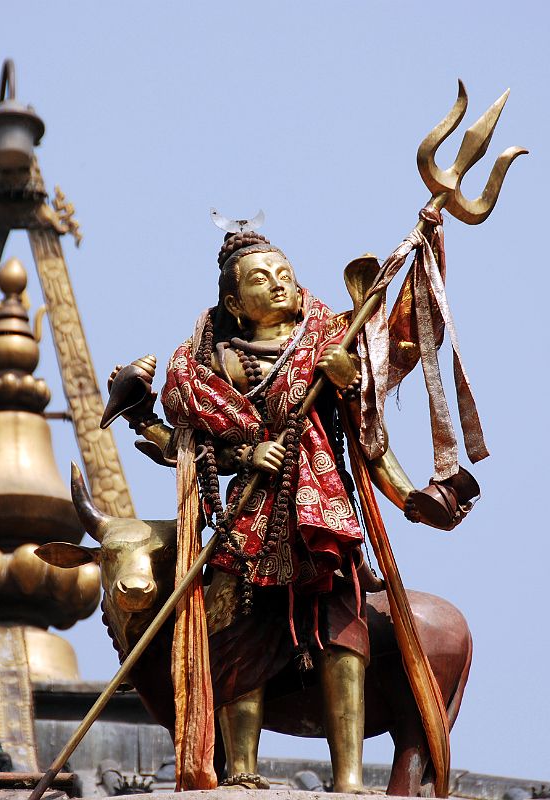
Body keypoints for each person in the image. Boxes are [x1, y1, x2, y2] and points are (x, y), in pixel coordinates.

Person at [158, 229, 387, 792]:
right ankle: (240, 768)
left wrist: (348, 379)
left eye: (284, 274)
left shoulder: (331, 338)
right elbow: (192, 442)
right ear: (234, 303)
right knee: (236, 629)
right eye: (260, 279)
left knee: (342, 632)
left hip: (321, 508)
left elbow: (369, 407)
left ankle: (350, 777)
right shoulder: (214, 364)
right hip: (251, 512)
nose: (278, 284)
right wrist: (246, 452)